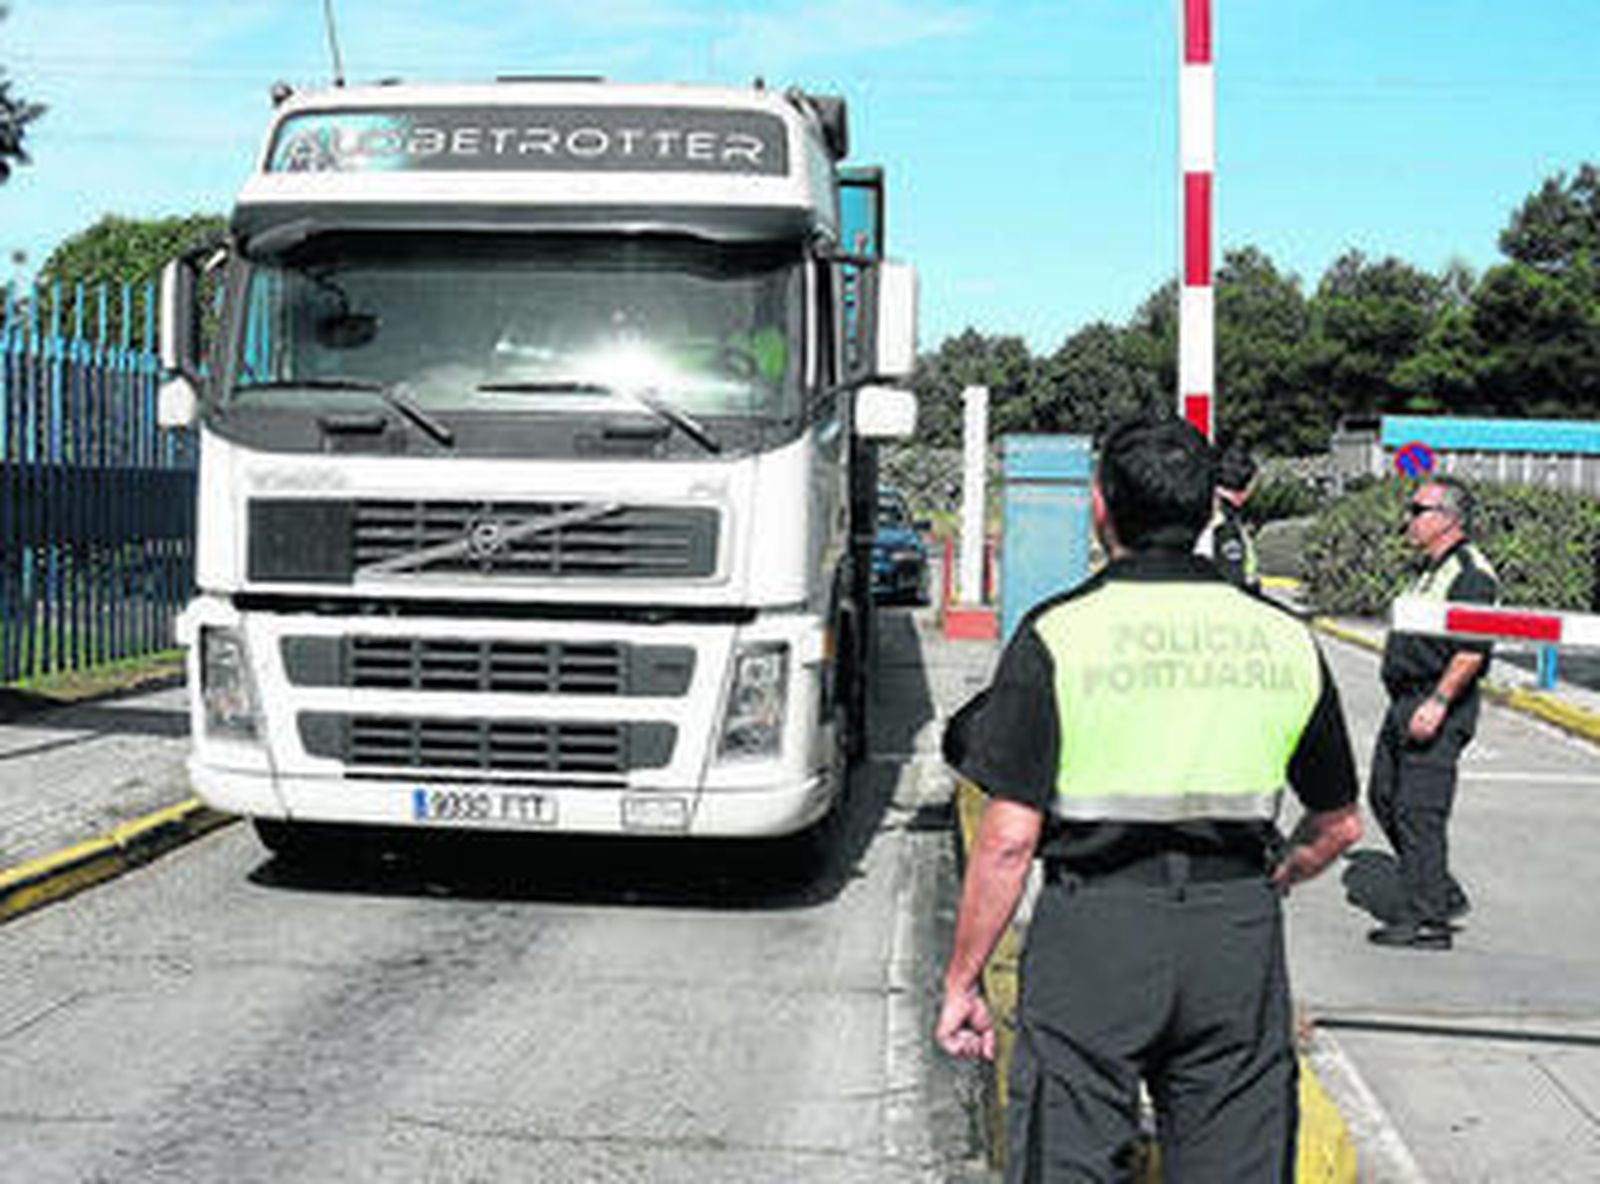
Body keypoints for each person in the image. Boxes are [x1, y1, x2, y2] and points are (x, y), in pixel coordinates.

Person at [934, 415, 1362, 1182]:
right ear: (1209, 509)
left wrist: (964, 980)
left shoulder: (1059, 633)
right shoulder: (1282, 638)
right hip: (1236, 934)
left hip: (1094, 936)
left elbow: (1005, 841)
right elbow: (1337, 826)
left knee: (1065, 1154)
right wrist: (1284, 872)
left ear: (1101, 505)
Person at [1366, 475, 1498, 951]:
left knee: (1419, 812)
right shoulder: (1430, 569)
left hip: (1437, 702)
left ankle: (1428, 921)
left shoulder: (1470, 573)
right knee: (1383, 795)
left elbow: (1471, 650)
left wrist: (1439, 702)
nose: (1409, 518)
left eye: (1417, 510)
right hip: (1406, 700)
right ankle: (1437, 887)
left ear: (1447, 518)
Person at [1195, 444, 1260, 591]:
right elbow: (1233, 584)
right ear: (1239, 496)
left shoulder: (1204, 521)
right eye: (1252, 486)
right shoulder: (1224, 531)